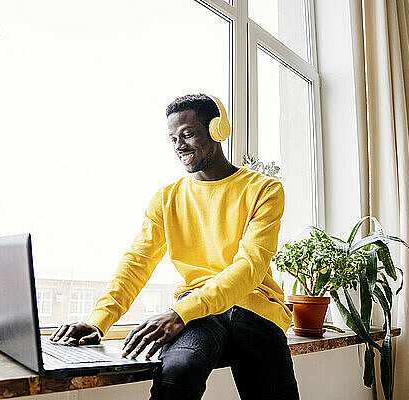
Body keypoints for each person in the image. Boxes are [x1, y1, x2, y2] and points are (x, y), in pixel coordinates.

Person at [50, 93, 300, 399]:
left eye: (188, 134)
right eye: (173, 138)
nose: (179, 145)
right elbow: (137, 262)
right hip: (197, 313)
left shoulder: (264, 188)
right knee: (177, 374)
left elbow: (249, 267)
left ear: (217, 131)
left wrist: (179, 312)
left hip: (252, 307)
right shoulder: (167, 197)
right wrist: (97, 322)